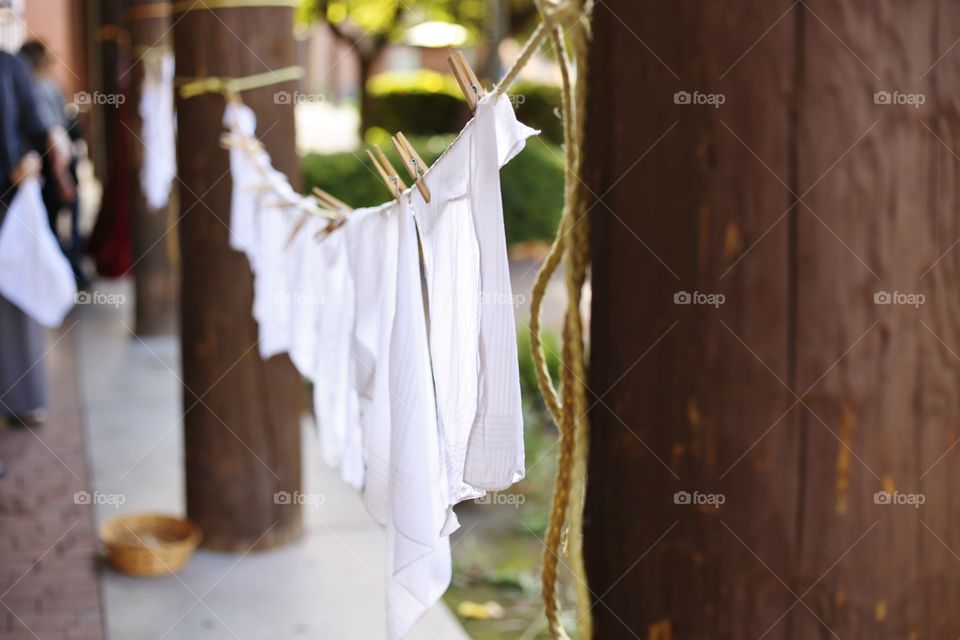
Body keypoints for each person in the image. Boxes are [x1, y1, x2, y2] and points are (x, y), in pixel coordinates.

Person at [0, 48, 68, 433]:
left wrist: (30, 158)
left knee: (13, 301)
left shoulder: (8, 67)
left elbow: (34, 126)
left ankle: (20, 400)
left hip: (7, 201)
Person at [18, 40, 86, 287]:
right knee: (61, 222)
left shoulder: (39, 87)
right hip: (57, 162)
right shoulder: (45, 87)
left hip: (52, 163)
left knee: (54, 223)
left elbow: (49, 130)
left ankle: (67, 275)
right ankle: (70, 274)